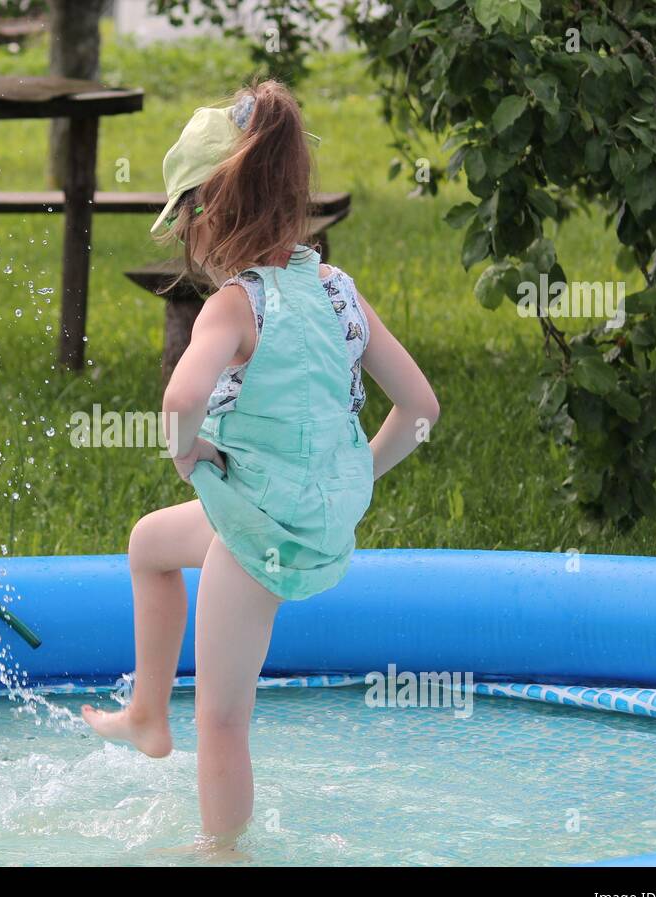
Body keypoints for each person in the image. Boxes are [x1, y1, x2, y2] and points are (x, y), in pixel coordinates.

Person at [83, 79, 440, 847]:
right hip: (303, 516)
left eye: (184, 223)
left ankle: (221, 854)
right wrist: (351, 482)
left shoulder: (234, 307)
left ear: (207, 215)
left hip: (260, 537)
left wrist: (189, 460)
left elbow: (179, 402)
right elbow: (420, 412)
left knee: (221, 719)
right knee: (150, 544)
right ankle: (146, 712)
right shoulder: (338, 290)